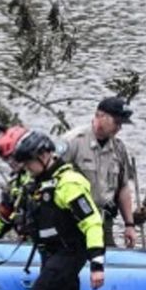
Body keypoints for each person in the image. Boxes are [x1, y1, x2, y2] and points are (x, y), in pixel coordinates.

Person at [13, 130, 106, 290]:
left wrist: (97, 265)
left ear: (44, 156)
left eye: (29, 162)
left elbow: (92, 222)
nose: (27, 168)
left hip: (69, 251)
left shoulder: (69, 183)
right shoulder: (38, 181)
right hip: (50, 252)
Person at [58, 95, 138, 249]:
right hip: (73, 220)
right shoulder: (72, 141)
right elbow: (50, 179)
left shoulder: (119, 148)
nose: (119, 128)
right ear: (100, 116)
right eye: (117, 122)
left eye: (122, 124)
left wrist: (129, 224)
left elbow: (123, 187)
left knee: (108, 261)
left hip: (103, 221)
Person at [0, 125, 30, 240]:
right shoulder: (15, 186)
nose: (10, 163)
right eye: (6, 159)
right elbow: (2, 218)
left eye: (12, 157)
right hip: (27, 247)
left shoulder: (52, 178)